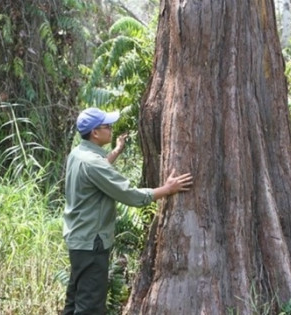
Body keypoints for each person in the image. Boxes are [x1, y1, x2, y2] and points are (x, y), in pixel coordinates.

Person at [62, 108, 193, 315]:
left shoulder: (78, 154)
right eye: (107, 126)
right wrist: (167, 189)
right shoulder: (93, 163)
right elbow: (130, 195)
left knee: (75, 300)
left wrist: (116, 151)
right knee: (90, 306)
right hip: (92, 243)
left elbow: (97, 172)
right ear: (95, 133)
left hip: (79, 239)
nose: (111, 129)